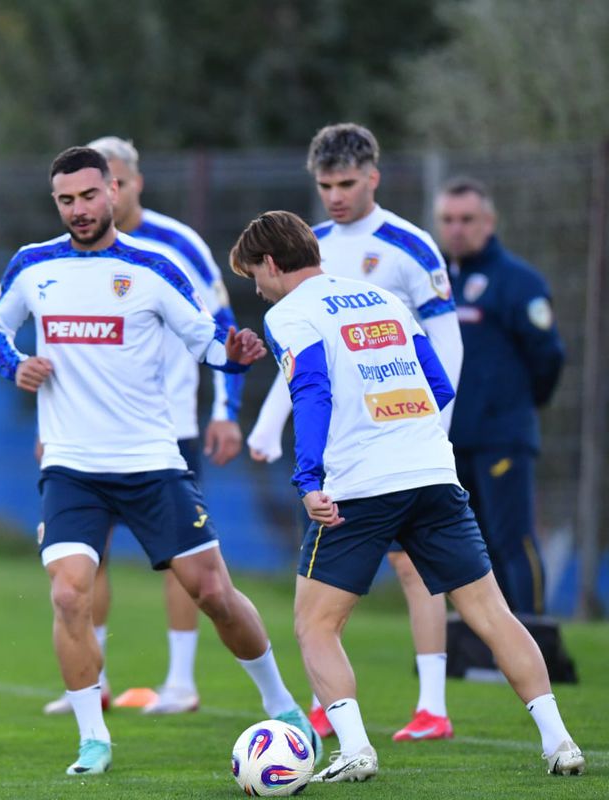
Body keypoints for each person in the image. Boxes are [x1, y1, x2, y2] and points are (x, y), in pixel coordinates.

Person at [0, 146, 319, 776]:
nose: (78, 210)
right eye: (65, 200)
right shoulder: (32, 264)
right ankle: (93, 740)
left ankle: (283, 705)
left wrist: (235, 354)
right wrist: (16, 364)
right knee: (69, 594)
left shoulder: (154, 266)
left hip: (151, 462)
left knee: (213, 591)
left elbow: (206, 340)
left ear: (114, 190)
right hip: (71, 466)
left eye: (88, 196)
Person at [230, 209, 585, 781]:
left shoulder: (290, 314)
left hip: (360, 487)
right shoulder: (383, 300)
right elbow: (438, 384)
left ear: (270, 263)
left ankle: (355, 750)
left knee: (315, 625)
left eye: (253, 276)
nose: (257, 289)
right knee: (491, 613)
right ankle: (559, 741)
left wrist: (308, 481)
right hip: (433, 473)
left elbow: (312, 390)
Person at [247, 123, 463, 742]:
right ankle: (328, 702)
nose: (335, 196)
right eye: (325, 185)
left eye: (346, 183)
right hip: (344, 451)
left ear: (373, 177)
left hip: (403, 444)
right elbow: (303, 365)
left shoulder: (409, 245)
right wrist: (268, 424)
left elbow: (445, 343)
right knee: (325, 586)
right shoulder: (308, 247)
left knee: (415, 570)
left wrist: (433, 427)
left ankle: (431, 706)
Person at [434, 177, 564, 615]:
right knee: (464, 549)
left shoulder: (519, 282)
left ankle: (536, 636)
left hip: (502, 438)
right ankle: (473, 642)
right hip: (448, 442)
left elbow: (548, 357)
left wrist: (512, 409)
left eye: (467, 219)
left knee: (512, 541)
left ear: (488, 222)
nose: (456, 229)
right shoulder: (434, 284)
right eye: (448, 220)